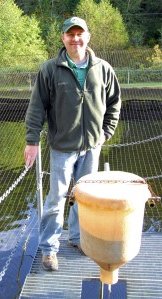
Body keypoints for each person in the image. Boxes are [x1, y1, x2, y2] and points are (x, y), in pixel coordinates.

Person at [24, 16, 121, 271]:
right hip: (62, 148)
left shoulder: (102, 68)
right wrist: (32, 140)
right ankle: (49, 249)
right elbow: (36, 107)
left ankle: (78, 239)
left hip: (91, 147)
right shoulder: (49, 69)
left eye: (80, 34)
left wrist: (106, 132)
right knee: (56, 199)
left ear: (88, 36)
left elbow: (114, 103)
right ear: (63, 38)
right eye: (70, 34)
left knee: (85, 198)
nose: (75, 39)